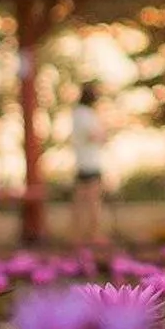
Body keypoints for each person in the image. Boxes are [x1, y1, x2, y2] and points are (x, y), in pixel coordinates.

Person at [69, 84, 107, 246]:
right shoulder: (86, 114)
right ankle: (94, 235)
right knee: (93, 202)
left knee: (79, 202)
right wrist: (103, 135)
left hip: (81, 162)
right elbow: (93, 136)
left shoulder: (76, 113)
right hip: (91, 163)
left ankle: (75, 235)